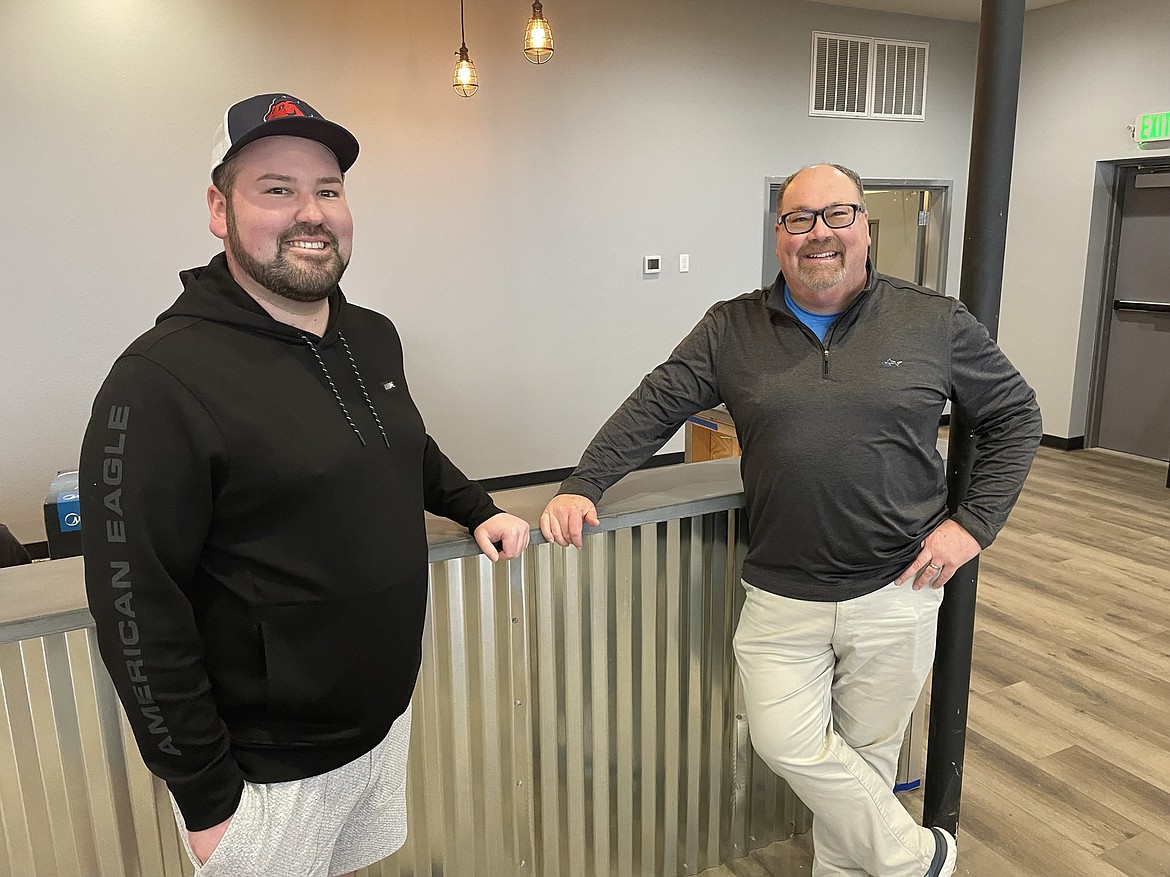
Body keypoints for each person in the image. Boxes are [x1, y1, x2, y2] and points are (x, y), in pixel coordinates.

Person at [541, 164, 1041, 877]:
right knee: (784, 740)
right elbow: (656, 404)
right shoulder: (731, 327)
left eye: (837, 215)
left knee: (867, 753)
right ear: (779, 238)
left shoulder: (933, 320)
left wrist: (974, 525)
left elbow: (1017, 413)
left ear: (867, 227)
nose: (819, 234)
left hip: (897, 588)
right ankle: (915, 855)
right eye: (799, 219)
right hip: (782, 592)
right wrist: (585, 483)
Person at [79, 93, 530, 877]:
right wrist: (208, 798)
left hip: (379, 729)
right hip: (263, 773)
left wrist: (474, 506)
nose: (311, 212)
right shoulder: (158, 381)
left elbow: (403, 447)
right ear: (219, 209)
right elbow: (134, 605)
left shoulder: (370, 335)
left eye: (328, 188)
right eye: (277, 189)